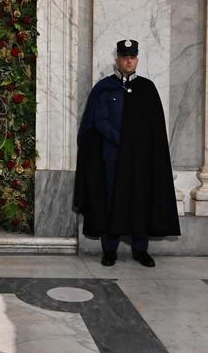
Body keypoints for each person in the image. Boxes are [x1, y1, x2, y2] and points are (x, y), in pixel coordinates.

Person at [73, 39, 180, 267]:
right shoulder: (105, 88)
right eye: (124, 57)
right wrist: (122, 140)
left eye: (132, 57)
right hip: (112, 157)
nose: (129, 60)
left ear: (137, 59)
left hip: (139, 160)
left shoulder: (148, 89)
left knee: (139, 198)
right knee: (111, 199)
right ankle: (110, 249)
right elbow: (98, 121)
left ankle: (140, 249)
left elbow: (155, 128)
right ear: (117, 60)